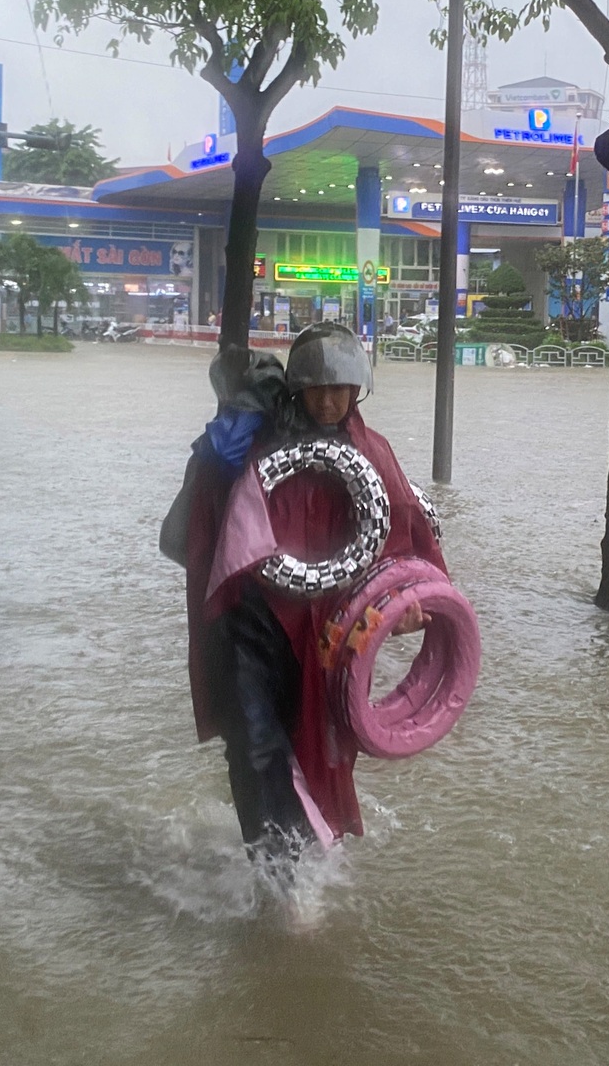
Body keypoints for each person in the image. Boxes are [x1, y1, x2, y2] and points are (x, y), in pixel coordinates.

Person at [171, 324, 444, 861]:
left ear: (357, 390)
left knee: (310, 743)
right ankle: (272, 870)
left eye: (341, 388)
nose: (329, 399)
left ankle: (302, 854)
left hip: (324, 634)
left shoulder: (374, 453)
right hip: (250, 621)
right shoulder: (253, 443)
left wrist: (416, 603)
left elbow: (411, 536)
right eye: (317, 387)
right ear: (295, 387)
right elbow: (204, 513)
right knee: (252, 744)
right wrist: (218, 448)